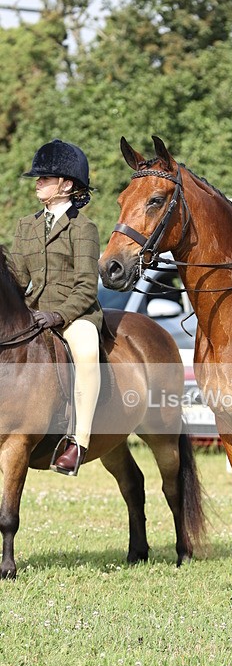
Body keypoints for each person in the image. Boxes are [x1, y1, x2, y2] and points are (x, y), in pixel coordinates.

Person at [9, 139, 103, 474]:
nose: (37, 182)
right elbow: (18, 278)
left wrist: (59, 315)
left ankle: (78, 442)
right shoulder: (25, 226)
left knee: (87, 352)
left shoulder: (84, 228)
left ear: (66, 185)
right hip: (34, 314)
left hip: (75, 314)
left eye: (44, 178)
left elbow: (86, 286)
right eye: (38, 178)